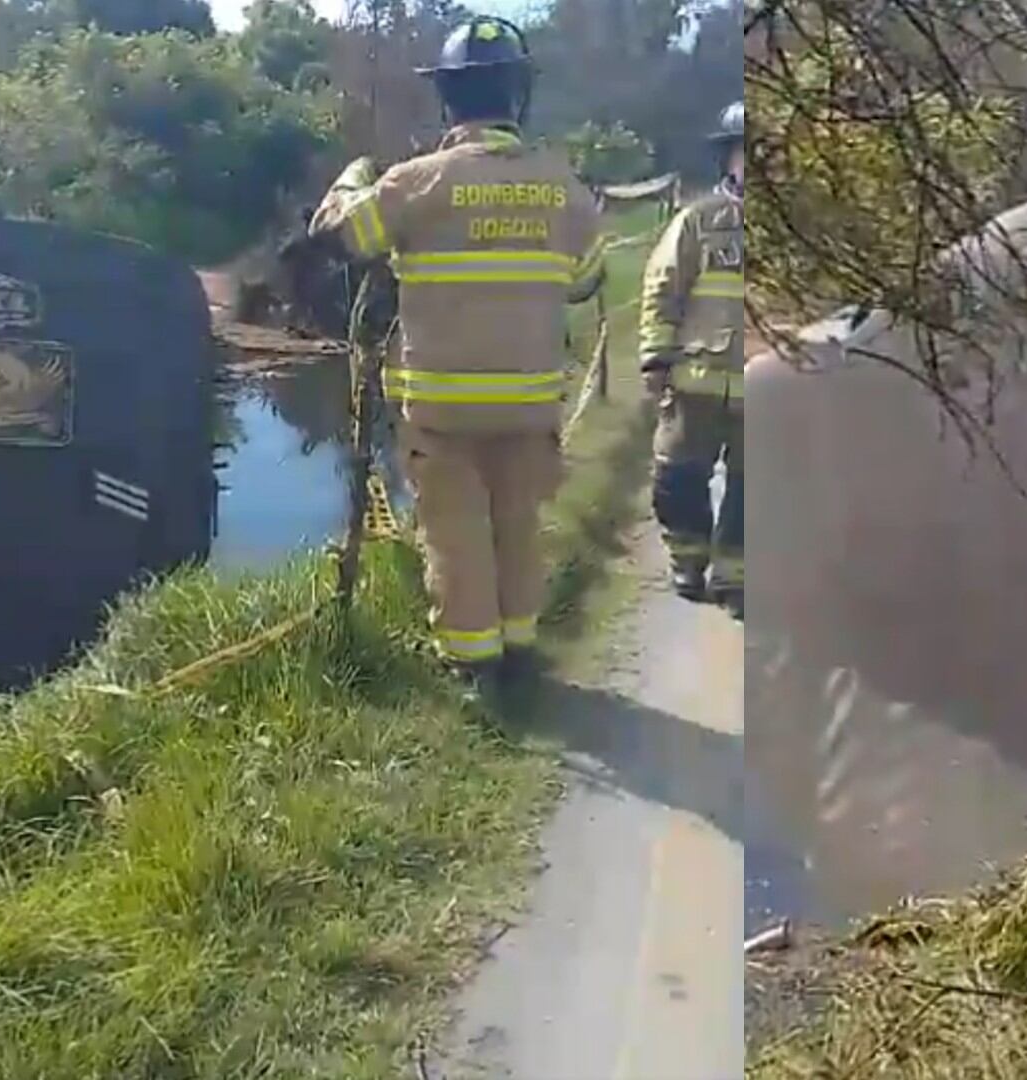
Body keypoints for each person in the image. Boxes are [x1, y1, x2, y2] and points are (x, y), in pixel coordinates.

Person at [307, 16, 606, 705]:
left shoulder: (417, 183)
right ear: (518, 96)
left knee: (455, 535)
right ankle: (521, 647)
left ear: (447, 99)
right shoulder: (564, 188)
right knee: (518, 526)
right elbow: (587, 281)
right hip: (531, 401)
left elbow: (340, 234)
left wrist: (352, 179)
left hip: (442, 407)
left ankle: (476, 669)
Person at [640, 102, 745, 615]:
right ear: (728, 158)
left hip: (765, 386)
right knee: (677, 479)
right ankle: (688, 559)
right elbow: (662, 291)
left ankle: (736, 576)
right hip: (695, 381)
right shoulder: (698, 222)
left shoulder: (801, 232)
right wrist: (656, 360)